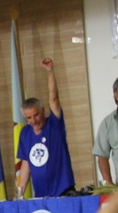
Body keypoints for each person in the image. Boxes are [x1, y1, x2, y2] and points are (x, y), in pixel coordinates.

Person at [15, 57, 76, 198]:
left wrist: (50, 71)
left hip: (63, 192)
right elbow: (26, 164)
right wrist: (20, 193)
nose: (34, 121)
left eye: (36, 115)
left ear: (43, 111)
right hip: (41, 196)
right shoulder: (25, 133)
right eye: (29, 118)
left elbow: (54, 98)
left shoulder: (54, 124)